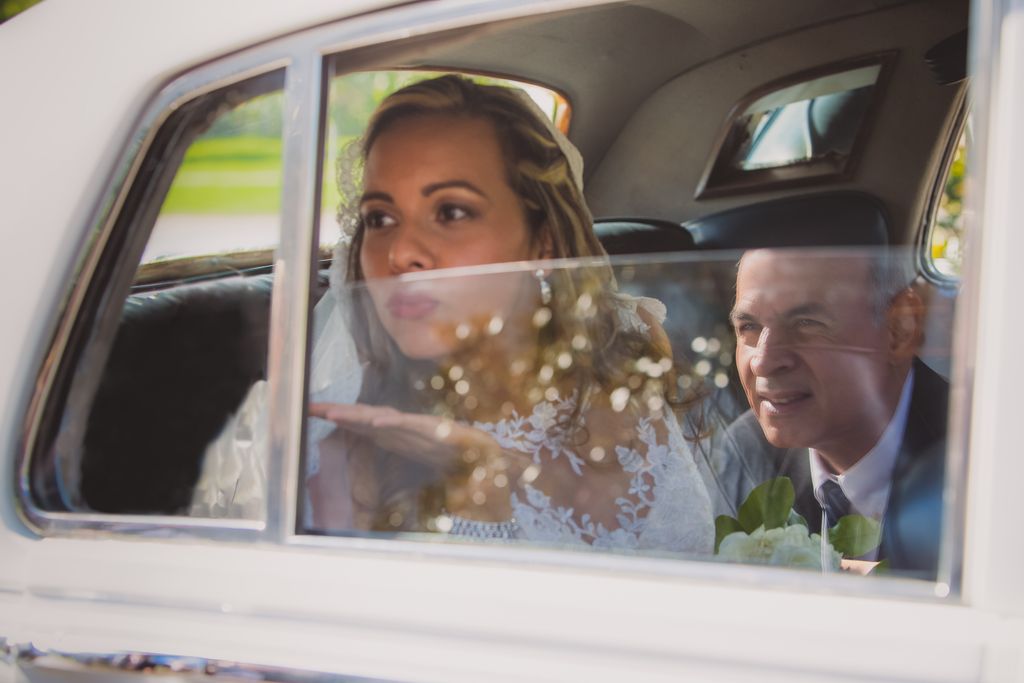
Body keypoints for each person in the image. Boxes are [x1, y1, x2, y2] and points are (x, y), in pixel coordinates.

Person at [197, 75, 714, 554]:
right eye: (381, 218)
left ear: (542, 243)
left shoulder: (628, 341)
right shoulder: (337, 448)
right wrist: (478, 493)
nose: (400, 252)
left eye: (451, 211)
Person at [704, 248, 947, 576]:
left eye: (806, 323)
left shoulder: (982, 461)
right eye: (749, 326)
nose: (763, 360)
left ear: (899, 329)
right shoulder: (745, 450)